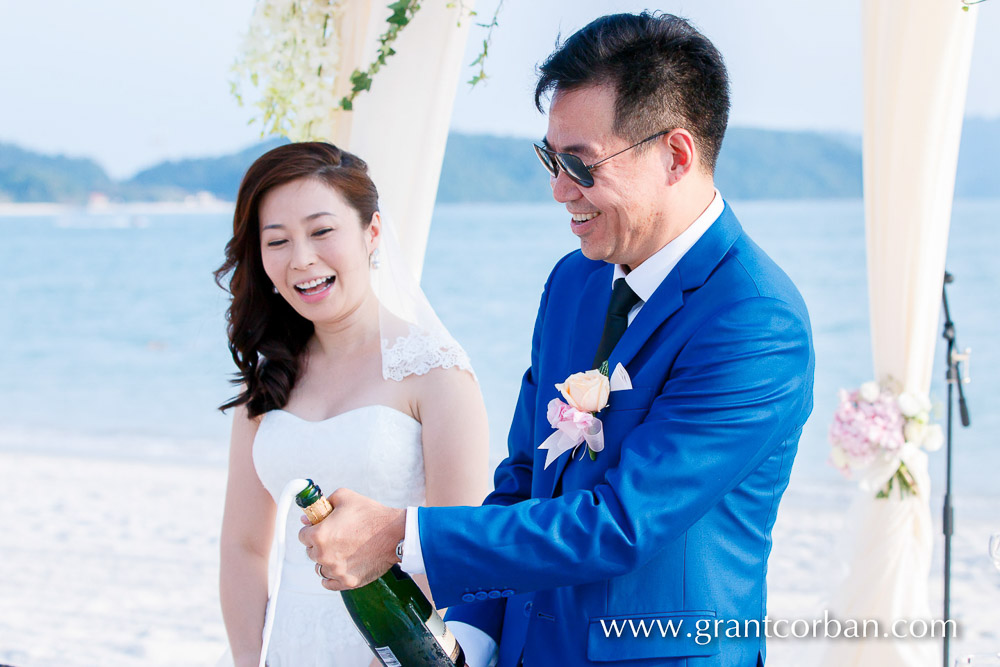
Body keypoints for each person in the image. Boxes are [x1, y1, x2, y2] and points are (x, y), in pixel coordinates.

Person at [300, 12, 815, 667]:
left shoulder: (756, 320)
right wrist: (473, 639)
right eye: (550, 157)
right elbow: (525, 477)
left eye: (580, 164)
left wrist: (401, 534)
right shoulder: (574, 282)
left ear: (676, 155)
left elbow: (622, 522)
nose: (558, 189)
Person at [215, 142, 490, 667]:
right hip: (289, 647)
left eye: (322, 232)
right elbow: (243, 547)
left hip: (402, 651)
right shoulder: (268, 380)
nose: (302, 260)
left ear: (372, 233)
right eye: (278, 241)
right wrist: (250, 660)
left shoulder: (437, 374)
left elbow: (459, 549)